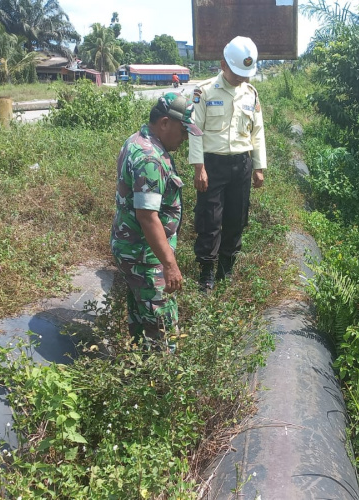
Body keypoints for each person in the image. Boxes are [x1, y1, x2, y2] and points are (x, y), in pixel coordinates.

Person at [110, 93, 203, 351]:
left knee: (141, 319)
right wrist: (169, 265)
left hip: (134, 249)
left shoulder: (136, 140)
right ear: (164, 123)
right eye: (183, 131)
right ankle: (164, 382)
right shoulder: (150, 158)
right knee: (163, 328)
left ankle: (141, 372)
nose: (185, 138)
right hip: (144, 255)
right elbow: (147, 217)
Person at [188, 36, 266, 291]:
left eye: (246, 73)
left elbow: (258, 132)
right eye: (237, 73)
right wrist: (199, 167)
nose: (241, 78)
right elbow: (195, 130)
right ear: (223, 64)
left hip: (242, 164)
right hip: (213, 164)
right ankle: (207, 272)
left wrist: (258, 166)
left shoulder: (251, 93)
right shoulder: (205, 91)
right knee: (209, 219)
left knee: (236, 218)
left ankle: (226, 268)